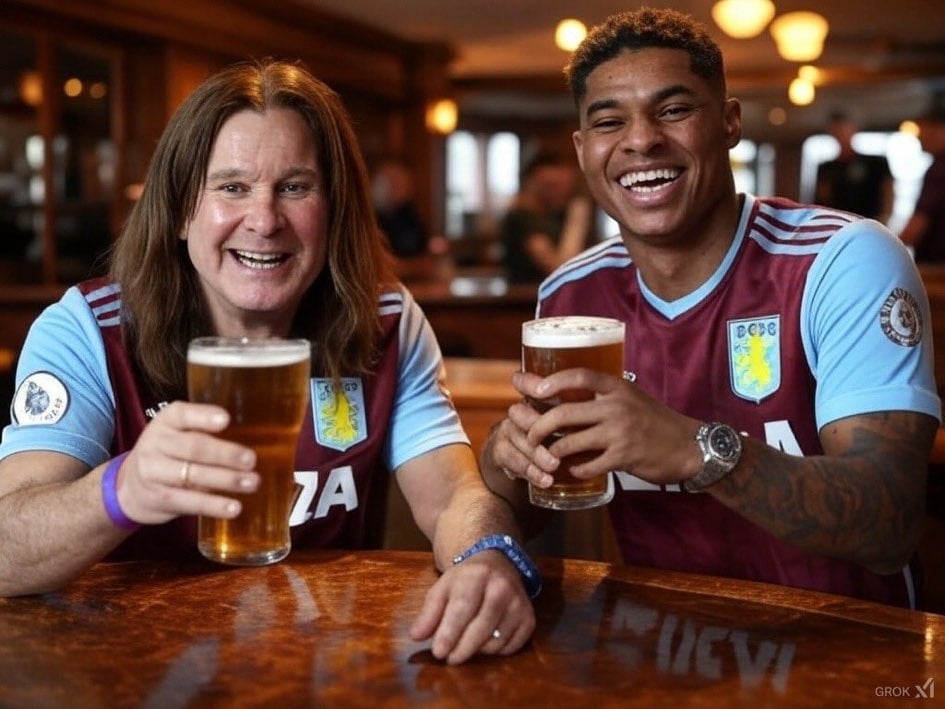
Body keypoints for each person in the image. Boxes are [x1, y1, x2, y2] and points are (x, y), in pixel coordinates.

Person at [0, 59, 537, 664]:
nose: (264, 220)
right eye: (231, 187)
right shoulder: (86, 330)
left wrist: (488, 557)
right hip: (127, 667)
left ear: (333, 210)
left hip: (311, 663)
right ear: (181, 210)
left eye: (295, 187)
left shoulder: (383, 319)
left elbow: (452, 496)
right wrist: (121, 489)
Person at [480, 8, 940, 609]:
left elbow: (891, 522)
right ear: (583, 148)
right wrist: (501, 460)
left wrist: (693, 449)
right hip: (667, 652)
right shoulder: (570, 295)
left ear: (728, 123)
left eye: (674, 110)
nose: (641, 139)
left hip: (849, 649)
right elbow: (538, 510)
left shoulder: (842, 259)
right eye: (609, 121)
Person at [500, 152, 593, 284]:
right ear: (532, 183)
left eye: (567, 186)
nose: (563, 192)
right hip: (528, 299)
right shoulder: (523, 218)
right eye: (553, 185)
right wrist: (578, 218)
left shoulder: (551, 215)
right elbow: (559, 268)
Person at [814, 111, 893, 223]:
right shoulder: (826, 168)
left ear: (853, 129)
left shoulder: (876, 163)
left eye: (844, 129)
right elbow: (822, 199)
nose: (841, 134)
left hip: (872, 223)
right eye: (836, 131)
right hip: (839, 225)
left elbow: (888, 191)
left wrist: (885, 218)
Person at [900, 104, 945, 262]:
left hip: (937, 267)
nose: (918, 137)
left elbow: (917, 226)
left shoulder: (939, 170)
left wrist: (883, 246)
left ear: (939, 129)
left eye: (923, 130)